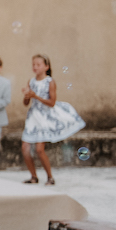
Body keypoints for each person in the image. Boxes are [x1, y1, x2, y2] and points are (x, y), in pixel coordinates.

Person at [20, 53, 86, 185]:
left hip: (45, 117)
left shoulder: (50, 82)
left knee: (39, 149)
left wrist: (35, 96)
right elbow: (26, 103)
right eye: (33, 64)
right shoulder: (31, 81)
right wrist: (27, 96)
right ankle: (33, 176)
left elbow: (52, 103)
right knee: (25, 148)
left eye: (38, 64)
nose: (35, 67)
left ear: (46, 67)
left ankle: (50, 177)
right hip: (34, 117)